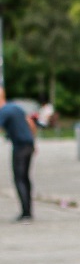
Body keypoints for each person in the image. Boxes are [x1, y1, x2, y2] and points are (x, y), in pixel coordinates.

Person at [0, 86, 36, 222]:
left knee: (19, 178)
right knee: (26, 178)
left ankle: (25, 213)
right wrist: (33, 140)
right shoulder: (15, 107)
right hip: (29, 145)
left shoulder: (3, 111)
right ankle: (28, 210)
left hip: (20, 147)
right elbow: (30, 122)